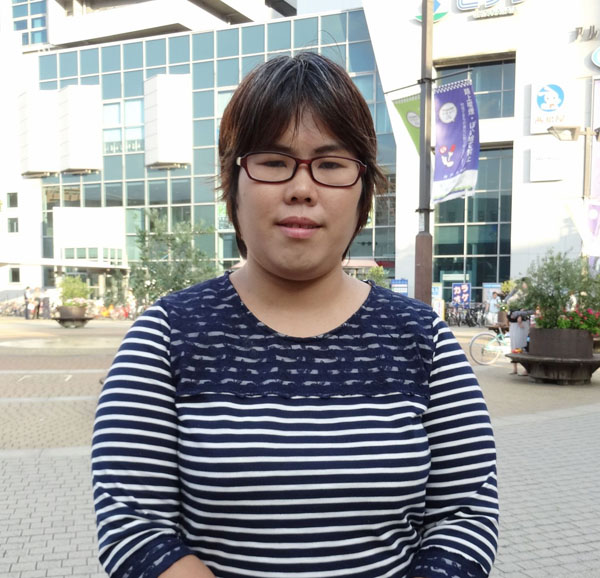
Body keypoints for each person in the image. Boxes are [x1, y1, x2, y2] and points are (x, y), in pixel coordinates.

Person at [92, 53, 498, 578]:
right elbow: (134, 528)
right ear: (233, 183)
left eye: (330, 164)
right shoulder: (166, 336)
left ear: (363, 189)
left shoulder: (423, 339)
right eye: (273, 161)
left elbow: (464, 515)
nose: (302, 188)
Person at [506, 279, 530, 375]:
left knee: (522, 345)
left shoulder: (527, 295)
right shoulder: (516, 293)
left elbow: (526, 308)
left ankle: (526, 368)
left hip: (521, 322)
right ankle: (515, 368)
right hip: (513, 323)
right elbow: (507, 301)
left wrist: (520, 315)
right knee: (514, 345)